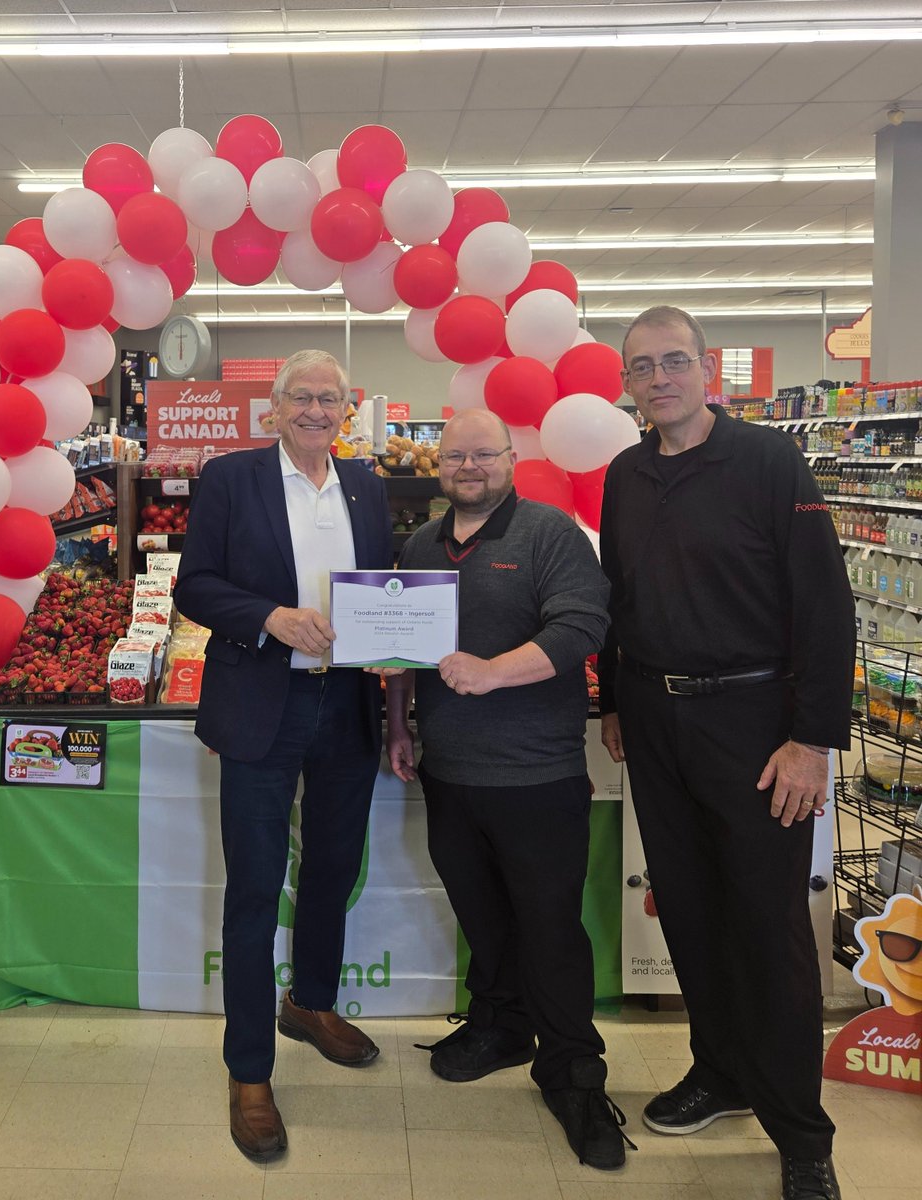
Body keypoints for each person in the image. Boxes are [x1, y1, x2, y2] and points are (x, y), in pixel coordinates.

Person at [597, 306, 855, 1200]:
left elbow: (826, 609)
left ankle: (801, 1133)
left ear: (709, 370)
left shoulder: (770, 464)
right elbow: (621, 598)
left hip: (756, 726)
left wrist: (813, 739)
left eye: (675, 361)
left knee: (769, 926)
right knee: (694, 914)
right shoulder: (625, 475)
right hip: (655, 721)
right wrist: (614, 696)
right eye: (642, 366)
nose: (659, 377)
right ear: (625, 381)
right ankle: (721, 1072)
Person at [385, 408, 633, 1171]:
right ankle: (499, 1023)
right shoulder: (421, 545)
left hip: (537, 775)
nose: (468, 466)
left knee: (550, 928)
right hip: (449, 772)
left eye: (483, 454)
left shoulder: (550, 535)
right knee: (482, 914)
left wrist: (493, 671)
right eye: (454, 455)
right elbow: (397, 651)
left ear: (511, 457)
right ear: (439, 465)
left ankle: (575, 1076)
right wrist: (399, 726)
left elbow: (581, 628)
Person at [173, 349, 394, 1162]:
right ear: (273, 407)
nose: (314, 410)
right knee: (256, 888)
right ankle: (250, 1071)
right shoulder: (232, 479)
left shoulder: (365, 486)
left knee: (334, 867)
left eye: (328, 398)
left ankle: (311, 1003)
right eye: (300, 397)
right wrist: (270, 615)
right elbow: (195, 586)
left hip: (346, 704)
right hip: (262, 700)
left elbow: (385, 588)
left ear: (348, 408)